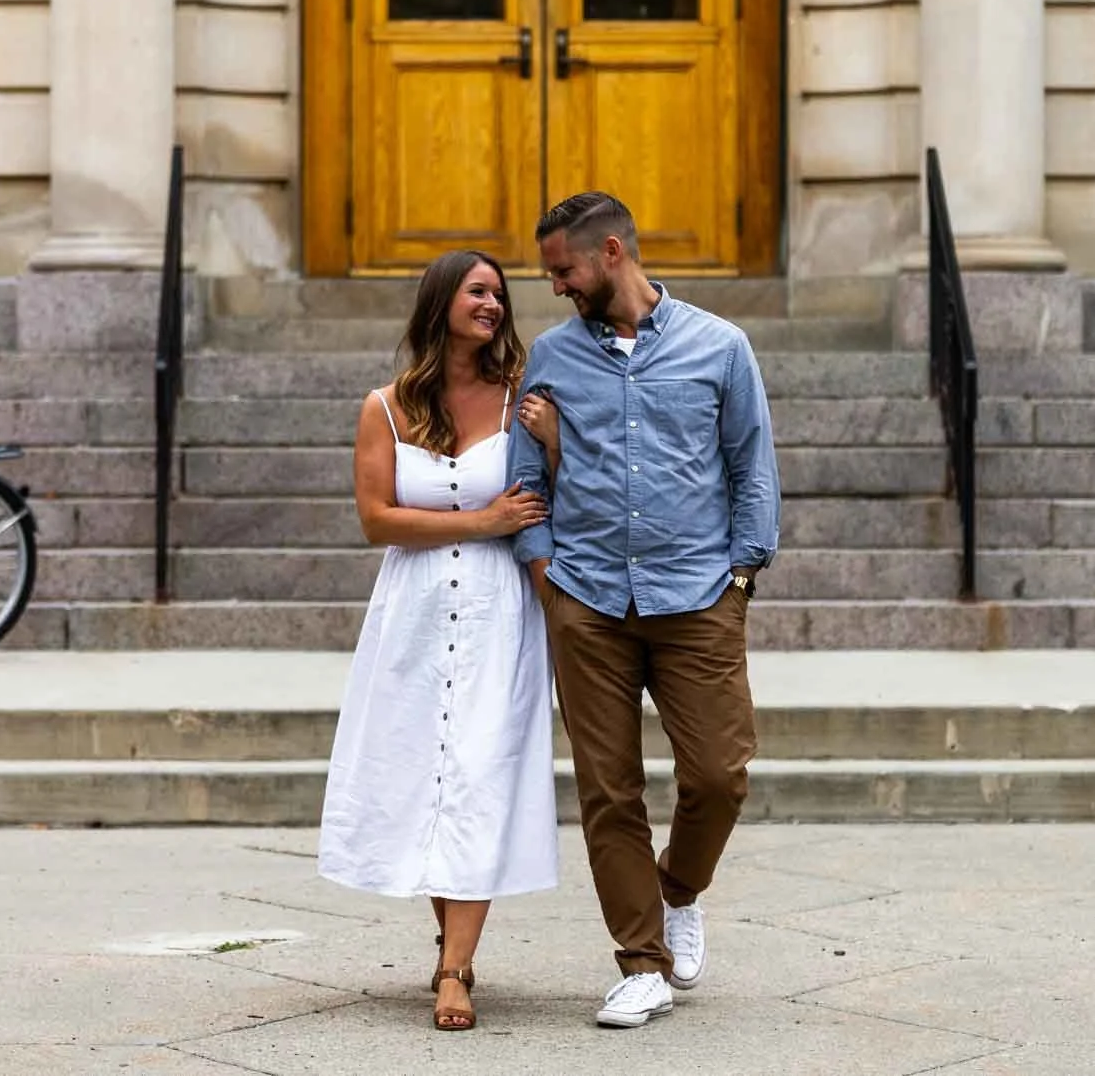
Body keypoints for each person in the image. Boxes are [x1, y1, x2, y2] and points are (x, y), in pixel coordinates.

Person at [508, 190, 781, 1030]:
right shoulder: (550, 359)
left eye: (565, 270)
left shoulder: (719, 347)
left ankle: (680, 890)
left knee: (718, 775)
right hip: (587, 597)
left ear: (614, 253)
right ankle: (641, 962)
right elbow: (527, 479)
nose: (554, 286)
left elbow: (751, 465)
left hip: (698, 594)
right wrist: (546, 570)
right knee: (608, 791)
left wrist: (743, 572)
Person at [317, 248, 560, 1033]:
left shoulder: (526, 396)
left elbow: (565, 491)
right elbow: (376, 519)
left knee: (480, 774)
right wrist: (480, 521)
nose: (493, 304)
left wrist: (553, 443)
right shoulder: (384, 408)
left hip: (499, 613)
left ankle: (456, 968)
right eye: (478, 291)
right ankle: (450, 935)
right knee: (429, 775)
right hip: (414, 616)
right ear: (441, 303)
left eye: (499, 294)